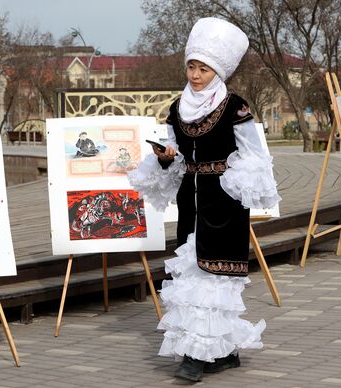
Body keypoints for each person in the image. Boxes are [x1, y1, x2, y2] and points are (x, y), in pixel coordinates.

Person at [128, 17, 280, 382]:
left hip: (224, 202)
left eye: (204, 68)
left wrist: (236, 183)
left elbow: (254, 155)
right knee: (193, 271)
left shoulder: (234, 107)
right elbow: (176, 155)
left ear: (218, 70)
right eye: (192, 67)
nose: (196, 75)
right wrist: (166, 158)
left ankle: (197, 356)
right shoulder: (178, 107)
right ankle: (223, 353)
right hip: (191, 200)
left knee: (213, 277)